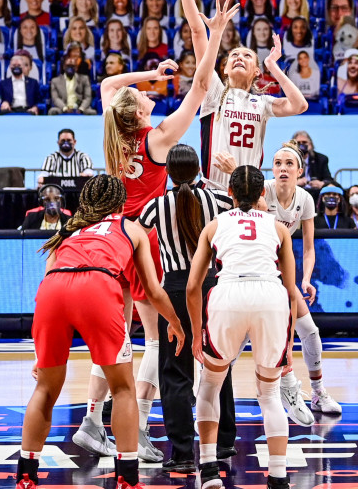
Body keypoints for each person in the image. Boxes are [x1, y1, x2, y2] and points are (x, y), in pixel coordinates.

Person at [74, 0, 234, 462]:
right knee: (158, 339)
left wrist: (150, 75)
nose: (149, 94)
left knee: (117, 334)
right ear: (140, 114)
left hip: (110, 235)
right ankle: (138, 426)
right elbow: (201, 85)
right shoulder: (157, 139)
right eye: (145, 96)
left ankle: (91, 419)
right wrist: (215, 36)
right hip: (142, 241)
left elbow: (108, 84)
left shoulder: (112, 133)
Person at [15, 174, 185, 489]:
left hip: (52, 291)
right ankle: (128, 478)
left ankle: (26, 475)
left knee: (45, 389)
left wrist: (42, 351)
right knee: (122, 389)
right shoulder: (131, 228)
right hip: (96, 286)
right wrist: (175, 322)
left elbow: (49, 277)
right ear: (120, 203)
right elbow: (153, 290)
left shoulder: (69, 229)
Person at [155, 0, 308, 191]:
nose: (239, 57)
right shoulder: (215, 92)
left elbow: (300, 105)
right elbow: (197, 31)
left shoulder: (262, 103)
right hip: (213, 190)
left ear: (256, 71)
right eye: (234, 55)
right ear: (224, 69)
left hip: (247, 192)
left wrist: (273, 67)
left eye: (247, 56)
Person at [187, 165, 296, 489]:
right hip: (270, 296)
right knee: (270, 393)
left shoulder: (215, 225)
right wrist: (289, 344)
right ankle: (278, 477)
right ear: (263, 193)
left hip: (229, 294)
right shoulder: (279, 229)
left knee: (210, 384)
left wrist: (196, 334)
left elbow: (193, 287)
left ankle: (209, 470)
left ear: (230, 193)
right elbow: (291, 292)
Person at [139, 144, 238, 472]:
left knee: (175, 373)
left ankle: (181, 453)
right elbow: (249, 206)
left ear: (167, 172)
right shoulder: (219, 200)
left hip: (175, 290)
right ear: (198, 171)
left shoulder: (155, 206)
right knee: (219, 367)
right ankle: (223, 443)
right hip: (213, 287)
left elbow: (134, 239)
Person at [263, 143, 340, 424]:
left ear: (299, 171)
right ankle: (213, 396)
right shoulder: (263, 191)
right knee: (251, 341)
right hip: (257, 272)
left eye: (289, 164)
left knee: (310, 332)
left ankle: (317, 393)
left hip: (282, 274)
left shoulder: (305, 199)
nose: (282, 168)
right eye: (278, 163)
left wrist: (306, 279)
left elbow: (308, 248)